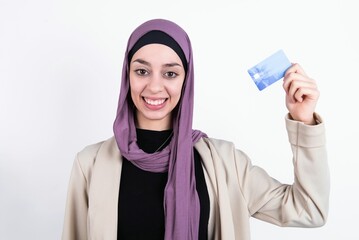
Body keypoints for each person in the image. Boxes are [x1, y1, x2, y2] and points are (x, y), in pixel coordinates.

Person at [62, 19, 329, 240]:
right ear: (127, 76)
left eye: (170, 73)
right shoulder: (91, 164)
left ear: (186, 80)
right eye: (142, 71)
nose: (155, 87)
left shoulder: (225, 163)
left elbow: (309, 210)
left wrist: (304, 122)